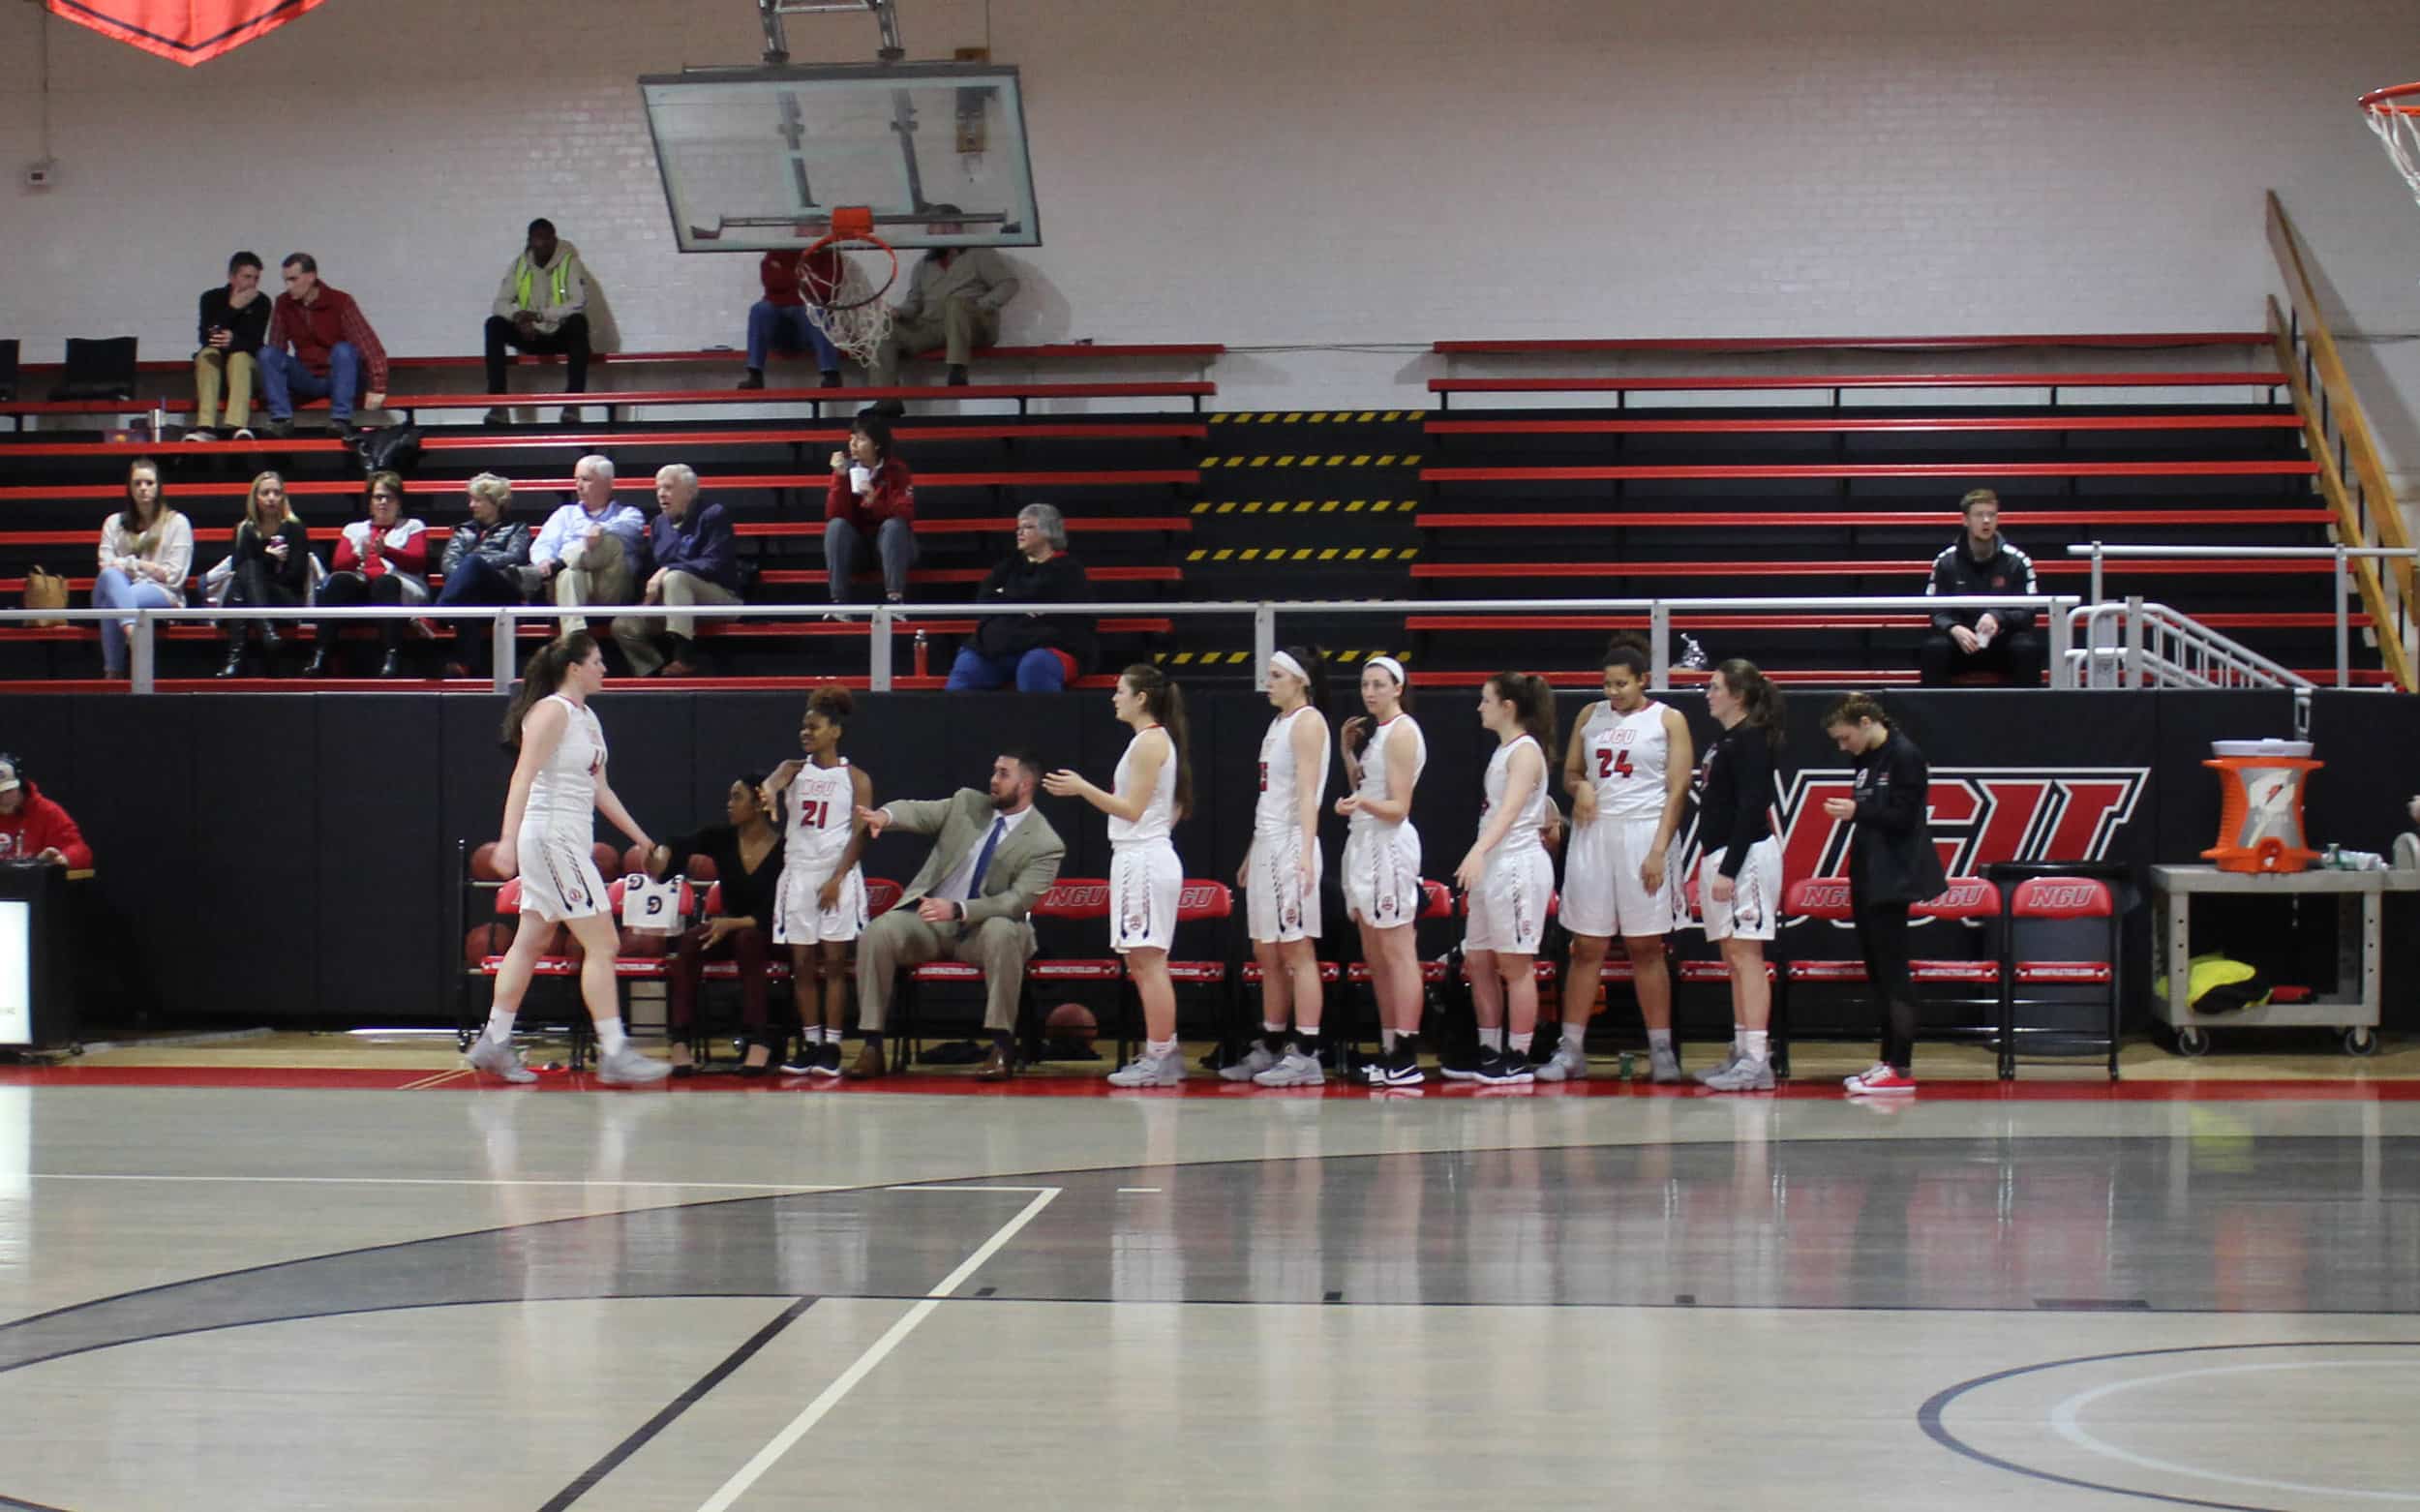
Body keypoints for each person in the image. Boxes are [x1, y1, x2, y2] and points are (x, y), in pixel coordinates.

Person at [467, 631, 671, 1087]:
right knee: (604, 943)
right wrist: (506, 841)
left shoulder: (589, 719)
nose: (605, 669)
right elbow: (522, 776)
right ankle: (615, 1051)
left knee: (531, 940)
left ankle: (494, 1041)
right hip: (551, 836)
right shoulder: (550, 711)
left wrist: (643, 841)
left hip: (571, 837)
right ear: (574, 668)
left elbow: (601, 790)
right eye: (598, 661)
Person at [846, 751, 1067, 1081]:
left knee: (1003, 931)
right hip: (934, 923)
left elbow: (1016, 901)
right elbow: (918, 811)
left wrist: (961, 909)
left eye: (1003, 774)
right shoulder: (967, 804)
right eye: (993, 771)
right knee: (879, 931)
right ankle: (873, 1046)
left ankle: (1001, 1047)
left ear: (1025, 784)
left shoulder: (1045, 842)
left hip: (984, 928)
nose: (993, 779)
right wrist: (884, 816)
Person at [1044, 664, 1195, 1087]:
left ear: (1141, 697)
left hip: (1144, 858)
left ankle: (1162, 1056)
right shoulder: (1152, 743)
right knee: (1142, 961)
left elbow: (1131, 809)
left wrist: (1082, 787)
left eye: (1120, 690)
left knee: (1149, 962)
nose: (1114, 697)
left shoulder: (1150, 743)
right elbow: (1173, 807)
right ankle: (1162, 1052)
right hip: (1141, 855)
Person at [1553, 635, 1694, 1084]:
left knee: (1646, 947)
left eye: (1621, 684)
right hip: (1594, 834)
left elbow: (1677, 792)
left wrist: (1658, 850)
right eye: (1607, 684)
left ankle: (1660, 1048)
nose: (1612, 692)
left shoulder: (1668, 720)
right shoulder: (1588, 716)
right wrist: (1580, 787)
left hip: (1643, 832)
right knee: (1586, 946)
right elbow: (1571, 772)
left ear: (1642, 681)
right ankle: (1571, 1048)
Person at [1823, 693, 1948, 1096]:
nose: (1843, 747)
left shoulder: (1905, 756)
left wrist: (1856, 813)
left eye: (1845, 738)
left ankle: (1902, 1065)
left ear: (1865, 722)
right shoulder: (1868, 758)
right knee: (1877, 972)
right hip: (1868, 873)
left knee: (1894, 973)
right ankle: (1886, 1060)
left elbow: (1904, 817)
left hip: (1894, 876)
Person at [1222, 648, 1333, 1087]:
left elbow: (1307, 794)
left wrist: (1305, 852)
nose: (1268, 682)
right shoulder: (1277, 723)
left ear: (1300, 680)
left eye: (1276, 675)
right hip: (1268, 842)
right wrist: (1253, 850)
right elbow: (1269, 796)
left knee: (1297, 949)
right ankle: (1270, 1043)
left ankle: (1307, 1052)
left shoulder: (1309, 722)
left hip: (1292, 843)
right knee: (1266, 950)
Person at [761, 686, 874, 1079]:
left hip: (834, 874)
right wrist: (770, 794)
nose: (805, 733)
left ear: (835, 731)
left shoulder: (856, 778)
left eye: (814, 727)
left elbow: (859, 834)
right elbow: (771, 783)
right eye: (803, 727)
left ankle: (833, 1045)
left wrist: (837, 879)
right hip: (798, 873)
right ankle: (809, 1043)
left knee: (835, 965)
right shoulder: (793, 769)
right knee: (803, 964)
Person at [1451, 672, 1558, 1086]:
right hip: (1493, 864)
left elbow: (1511, 811)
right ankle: (1489, 1047)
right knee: (1478, 960)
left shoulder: (1525, 751)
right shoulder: (1503, 750)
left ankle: (1518, 1053)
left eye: (1486, 700)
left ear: (1508, 706)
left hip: (1517, 864)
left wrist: (1478, 849)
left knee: (1515, 963)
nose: (1480, 707)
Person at [1692, 660, 1791, 1093]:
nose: (1708, 694)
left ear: (1738, 695)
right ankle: (1741, 1050)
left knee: (1748, 957)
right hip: (1723, 853)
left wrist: (1729, 869)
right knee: (1733, 959)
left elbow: (1752, 807)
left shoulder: (1751, 739)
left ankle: (1757, 1058)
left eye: (1715, 688)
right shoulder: (1729, 738)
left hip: (1747, 855)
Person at [650, 775, 785, 1077]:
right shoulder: (721, 837)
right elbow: (678, 846)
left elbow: (774, 910)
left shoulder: (785, 849)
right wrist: (660, 855)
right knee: (690, 941)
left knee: (748, 939)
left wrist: (730, 923)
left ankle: (758, 1040)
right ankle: (681, 1040)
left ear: (760, 802)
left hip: (772, 932)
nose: (729, 804)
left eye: (737, 797)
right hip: (731, 928)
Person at [1335, 656, 1429, 1088]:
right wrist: (1347, 752)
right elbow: (1368, 789)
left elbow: (1398, 808)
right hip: (1363, 844)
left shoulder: (1404, 732)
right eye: (1364, 684)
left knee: (1398, 953)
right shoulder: (1380, 735)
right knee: (1376, 956)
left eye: (1378, 684)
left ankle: (1407, 1054)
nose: (1369, 692)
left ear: (1398, 687)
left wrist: (1361, 804)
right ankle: (1390, 1048)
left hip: (1388, 848)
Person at [864, 208, 1020, 406]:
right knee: (883, 331)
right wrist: (896, 312)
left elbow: (1008, 283)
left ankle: (957, 368)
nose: (929, 233)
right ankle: (886, 401)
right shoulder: (924, 264)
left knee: (955, 304)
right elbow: (914, 302)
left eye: (934, 227)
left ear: (953, 227)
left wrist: (982, 306)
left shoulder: (980, 253)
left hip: (974, 325)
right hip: (934, 326)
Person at [945, 503, 1095, 692]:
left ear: (1049, 532)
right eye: (1018, 527)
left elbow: (1066, 621)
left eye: (1028, 527)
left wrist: (1008, 599)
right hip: (1002, 643)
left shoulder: (1069, 571)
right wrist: (1024, 607)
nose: (1019, 532)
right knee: (968, 665)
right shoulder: (1007, 567)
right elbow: (985, 600)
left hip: (1051, 646)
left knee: (1034, 666)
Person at [611, 465, 741, 678]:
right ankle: (654, 673)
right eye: (658, 488)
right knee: (623, 623)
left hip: (719, 598)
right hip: (673, 603)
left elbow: (712, 563)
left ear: (690, 491)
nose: (661, 493)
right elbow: (649, 568)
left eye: (669, 487)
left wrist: (668, 569)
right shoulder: (658, 524)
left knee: (675, 578)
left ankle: (684, 656)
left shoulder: (713, 515)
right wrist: (644, 600)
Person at [311, 470, 430, 678]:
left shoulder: (413, 526)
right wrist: (359, 556)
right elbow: (339, 564)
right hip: (363, 589)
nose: (383, 502)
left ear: (399, 502)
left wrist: (388, 552)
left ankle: (392, 656)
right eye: (378, 497)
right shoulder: (353, 529)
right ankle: (322, 654)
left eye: (389, 497)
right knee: (339, 581)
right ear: (370, 502)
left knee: (385, 583)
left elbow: (417, 561)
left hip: (399, 587)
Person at [257, 253, 387, 439]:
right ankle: (281, 420)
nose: (289, 286)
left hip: (341, 376)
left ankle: (341, 420)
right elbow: (276, 348)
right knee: (268, 353)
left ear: (311, 277)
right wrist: (271, 388)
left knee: (343, 350)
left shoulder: (340, 301)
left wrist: (377, 387)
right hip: (308, 377)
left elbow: (369, 346)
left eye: (293, 279)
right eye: (286, 280)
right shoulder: (283, 303)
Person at [1921, 489, 2043, 688]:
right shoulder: (1946, 562)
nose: (1986, 521)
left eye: (1991, 515)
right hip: (1961, 644)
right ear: (1965, 520)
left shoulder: (2017, 561)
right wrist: (1953, 628)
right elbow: (1935, 610)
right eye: (1979, 515)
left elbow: (2028, 612)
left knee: (2027, 649)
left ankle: (2030, 716)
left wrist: (1997, 618)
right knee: (1934, 649)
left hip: (2002, 645)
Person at [483, 218, 592, 426]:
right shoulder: (520, 264)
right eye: (535, 241)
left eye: (544, 241)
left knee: (579, 323)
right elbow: (500, 303)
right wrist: (518, 317)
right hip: (529, 335)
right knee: (494, 324)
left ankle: (573, 404)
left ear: (553, 240)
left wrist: (540, 316)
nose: (539, 247)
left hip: (558, 334)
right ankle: (498, 405)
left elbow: (578, 302)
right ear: (529, 241)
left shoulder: (570, 263)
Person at [91, 458, 193, 680]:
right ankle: (132, 634)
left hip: (161, 592)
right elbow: (105, 566)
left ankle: (112, 673)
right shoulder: (113, 523)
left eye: (149, 482)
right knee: (110, 578)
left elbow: (173, 577)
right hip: (115, 587)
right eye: (137, 483)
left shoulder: (177, 523)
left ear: (158, 486)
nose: (143, 488)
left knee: (113, 603)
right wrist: (148, 569)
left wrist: (132, 565)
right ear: (129, 487)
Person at [530, 455, 648, 638]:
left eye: (585, 479)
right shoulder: (565, 514)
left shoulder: (629, 515)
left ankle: (564, 562)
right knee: (571, 573)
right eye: (576, 479)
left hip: (610, 591)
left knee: (610, 541)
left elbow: (628, 531)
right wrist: (544, 560)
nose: (578, 485)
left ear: (608, 483)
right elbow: (542, 545)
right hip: (568, 590)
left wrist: (600, 530)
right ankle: (575, 639)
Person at [435, 473, 535, 676]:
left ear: (495, 502)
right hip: (472, 594)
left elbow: (514, 556)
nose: (471, 505)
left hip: (503, 592)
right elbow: (447, 564)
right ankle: (470, 666)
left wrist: (477, 564)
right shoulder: (463, 531)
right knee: (466, 595)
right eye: (471, 499)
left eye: (477, 500)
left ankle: (437, 615)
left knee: (472, 563)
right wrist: (471, 572)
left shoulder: (517, 529)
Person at [216, 471, 312, 679]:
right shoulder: (244, 530)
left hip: (285, 599)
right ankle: (266, 632)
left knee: (245, 581)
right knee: (246, 575)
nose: (271, 498)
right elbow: (238, 569)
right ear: (255, 498)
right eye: (265, 493)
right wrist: (269, 559)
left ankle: (235, 658)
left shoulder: (295, 529)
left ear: (283, 498)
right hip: (253, 600)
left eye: (277, 493)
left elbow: (296, 576)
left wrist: (263, 573)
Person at [823, 415, 917, 610]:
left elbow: (905, 513)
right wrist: (840, 479)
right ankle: (838, 604)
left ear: (877, 445)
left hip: (892, 547)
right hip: (858, 548)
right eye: (851, 439)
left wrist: (875, 502)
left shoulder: (897, 470)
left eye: (861, 439)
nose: (853, 444)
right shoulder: (844, 470)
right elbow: (834, 514)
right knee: (836, 527)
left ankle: (895, 601)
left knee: (894, 526)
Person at [738, 244, 844, 390]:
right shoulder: (781, 249)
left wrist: (786, 276)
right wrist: (804, 279)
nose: (807, 228)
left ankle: (831, 373)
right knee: (759, 310)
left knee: (817, 311)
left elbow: (827, 289)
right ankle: (755, 374)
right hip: (779, 321)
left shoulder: (828, 254)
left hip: (807, 327)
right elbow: (770, 280)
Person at [189, 251, 269, 442]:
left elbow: (255, 343)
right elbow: (207, 336)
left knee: (239, 357)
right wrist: (233, 308)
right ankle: (205, 426)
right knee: (207, 354)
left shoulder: (262, 302)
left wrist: (233, 342)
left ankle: (237, 426)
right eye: (247, 277)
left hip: (247, 368)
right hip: (217, 366)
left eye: (256, 278)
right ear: (232, 277)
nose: (252, 283)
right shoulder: (211, 298)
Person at [0, 755, 92, 869]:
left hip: (33, 885)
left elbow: (79, 850)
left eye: (8, 791)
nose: (3, 798)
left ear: (21, 786)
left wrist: (63, 859)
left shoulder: (47, 812)